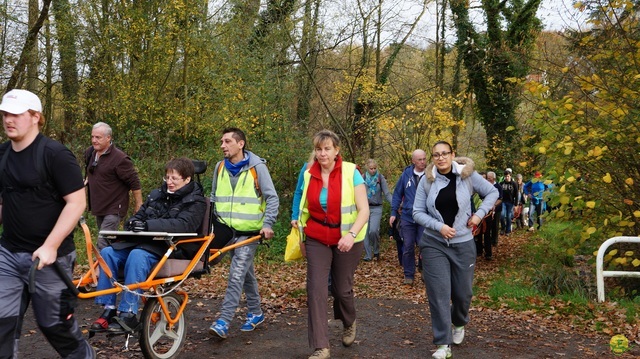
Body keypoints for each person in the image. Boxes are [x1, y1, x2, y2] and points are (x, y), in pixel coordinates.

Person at [0, 89, 95, 358]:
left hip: (49, 258)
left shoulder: (55, 154)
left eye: (16, 114)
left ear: (35, 117)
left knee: (54, 326)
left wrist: (50, 246)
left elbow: (76, 203)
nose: (9, 119)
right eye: (5, 113)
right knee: (2, 324)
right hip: (8, 253)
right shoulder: (3, 155)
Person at [91, 157, 206, 332]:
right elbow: (138, 216)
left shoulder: (195, 202)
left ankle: (128, 313)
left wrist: (147, 225)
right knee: (107, 252)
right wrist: (133, 224)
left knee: (138, 255)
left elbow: (184, 225)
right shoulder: (156, 195)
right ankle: (108, 309)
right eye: (167, 177)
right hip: (143, 243)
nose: (170, 182)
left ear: (187, 179)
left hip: (170, 247)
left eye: (174, 178)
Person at [412, 141, 498, 359]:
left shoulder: (467, 176)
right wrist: (438, 226)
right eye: (436, 155)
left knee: (462, 294)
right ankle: (443, 344)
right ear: (432, 158)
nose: (440, 158)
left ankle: (458, 322)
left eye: (444, 154)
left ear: (453, 155)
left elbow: (492, 192)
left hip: (463, 242)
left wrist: (479, 215)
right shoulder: (427, 181)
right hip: (433, 243)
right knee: (439, 294)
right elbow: (417, 212)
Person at [297, 130, 369, 359]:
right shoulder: (308, 173)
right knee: (316, 289)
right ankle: (321, 346)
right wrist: (299, 232)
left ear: (337, 150)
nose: (322, 153)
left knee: (341, 289)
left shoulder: (351, 172)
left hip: (348, 237)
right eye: (318, 149)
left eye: (327, 148)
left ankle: (349, 321)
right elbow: (301, 205)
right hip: (317, 236)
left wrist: (351, 234)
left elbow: (364, 209)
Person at [209, 128, 279, 339]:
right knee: (245, 274)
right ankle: (256, 312)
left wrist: (267, 224)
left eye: (227, 141)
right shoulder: (219, 167)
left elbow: (272, 198)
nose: (223, 145)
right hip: (224, 231)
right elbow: (213, 198)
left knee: (236, 274)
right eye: (222, 141)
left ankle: (224, 320)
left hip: (248, 234)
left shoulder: (257, 168)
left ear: (241, 144)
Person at [84, 122, 143, 250]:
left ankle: (102, 269)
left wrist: (139, 204)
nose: (94, 140)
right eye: (92, 137)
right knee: (108, 240)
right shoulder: (90, 153)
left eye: (98, 137)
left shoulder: (120, 159)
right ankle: (113, 264)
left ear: (108, 138)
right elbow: (91, 170)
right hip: (99, 205)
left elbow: (134, 182)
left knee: (103, 241)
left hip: (114, 207)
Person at [390, 149, 428, 285]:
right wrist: (393, 212)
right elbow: (397, 193)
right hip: (407, 216)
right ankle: (409, 274)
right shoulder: (406, 175)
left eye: (424, 159)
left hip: (425, 217)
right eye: (420, 159)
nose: (423, 162)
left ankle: (424, 271)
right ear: (413, 161)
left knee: (424, 245)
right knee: (408, 246)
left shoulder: (431, 175)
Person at [363, 158, 392, 261]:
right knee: (365, 233)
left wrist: (395, 205)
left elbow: (387, 193)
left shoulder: (380, 178)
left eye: (375, 168)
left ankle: (376, 250)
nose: (373, 170)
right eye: (371, 168)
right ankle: (368, 255)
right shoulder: (362, 178)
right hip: (364, 208)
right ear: (367, 168)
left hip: (377, 207)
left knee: (373, 231)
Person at [481, 171, 502, 259]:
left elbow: (500, 198)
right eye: (487, 177)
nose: (488, 179)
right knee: (485, 230)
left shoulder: (498, 186)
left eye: (490, 177)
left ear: (493, 178)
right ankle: (484, 250)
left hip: (495, 210)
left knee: (494, 227)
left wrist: (494, 205)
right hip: (485, 211)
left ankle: (494, 241)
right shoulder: (484, 186)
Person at [499, 168, 518, 236]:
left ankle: (508, 230)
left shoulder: (514, 184)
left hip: (510, 202)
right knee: (502, 215)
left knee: (509, 216)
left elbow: (516, 194)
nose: (507, 177)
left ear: (510, 176)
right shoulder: (501, 184)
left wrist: (516, 205)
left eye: (508, 176)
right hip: (503, 201)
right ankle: (502, 228)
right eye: (506, 176)